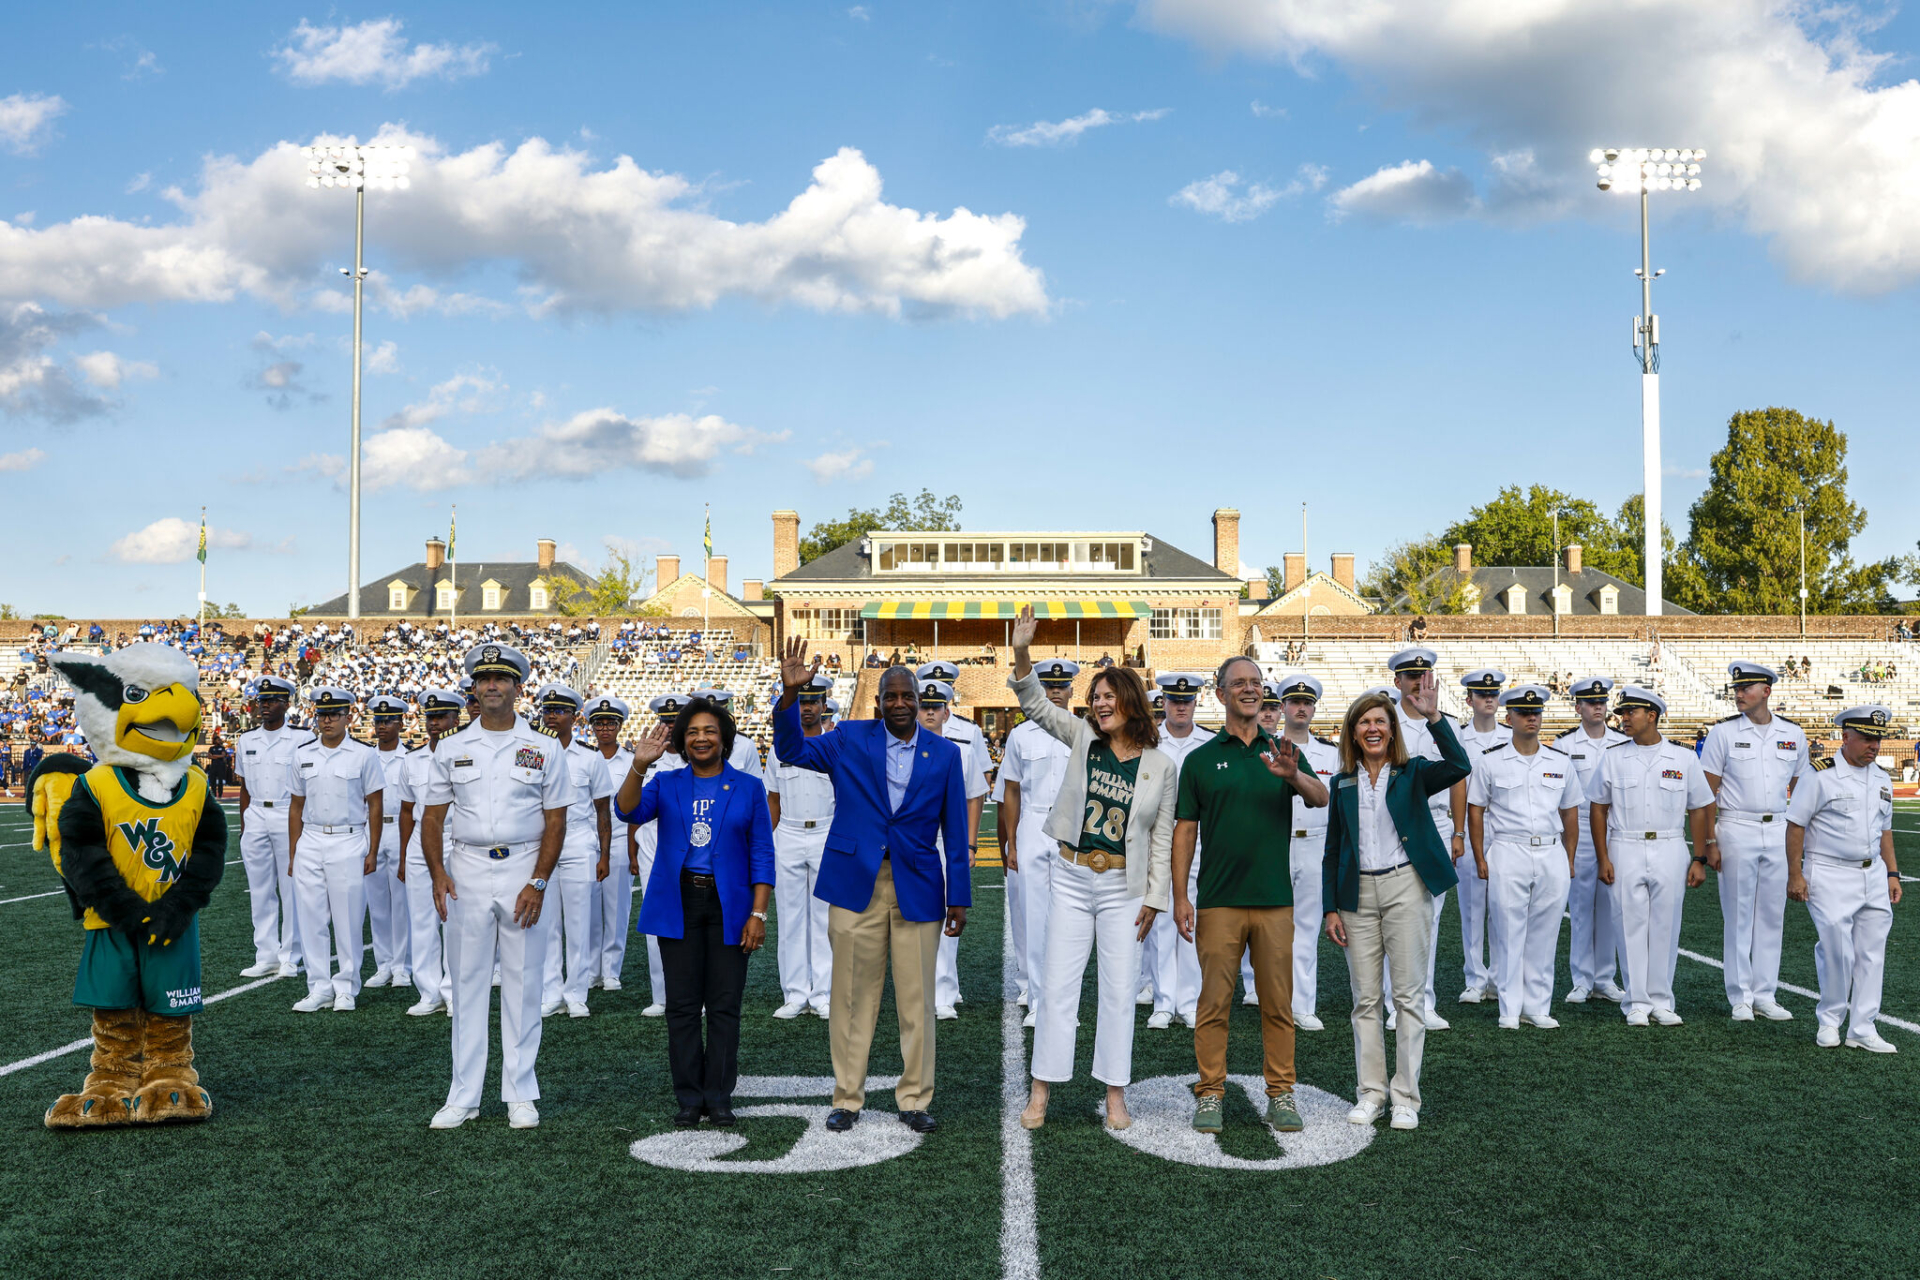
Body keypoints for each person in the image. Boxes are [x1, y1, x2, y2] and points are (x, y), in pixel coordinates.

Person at [769, 639, 968, 1135]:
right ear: (878, 701)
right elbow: (791, 750)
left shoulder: (944, 754)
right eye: (891, 696)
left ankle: (915, 1099)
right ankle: (847, 1097)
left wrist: (959, 896)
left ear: (920, 702)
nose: (900, 704)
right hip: (856, 883)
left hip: (918, 885)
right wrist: (790, 697)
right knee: (852, 997)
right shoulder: (848, 738)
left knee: (917, 1000)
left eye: (908, 696)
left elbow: (957, 833)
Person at [1006, 608, 1173, 1131]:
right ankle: (1041, 1091)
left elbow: (1163, 838)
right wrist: (1020, 651)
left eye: (1107, 696)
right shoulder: (1082, 738)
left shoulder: (1161, 765)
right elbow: (1034, 704)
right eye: (1095, 698)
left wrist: (1155, 896)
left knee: (1120, 990)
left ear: (1129, 702)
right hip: (1074, 876)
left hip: (1125, 884)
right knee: (1057, 984)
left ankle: (1115, 1094)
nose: (1098, 704)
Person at [1172, 655, 1329, 1135]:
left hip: (1274, 900)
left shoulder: (1280, 752)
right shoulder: (1199, 759)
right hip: (1218, 900)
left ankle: (1281, 1092)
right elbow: (1184, 832)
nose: (1250, 689)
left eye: (1256, 683)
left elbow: (1320, 798)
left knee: (1278, 1003)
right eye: (1239, 683)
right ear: (1219, 695)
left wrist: (1292, 775)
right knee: (1213, 1002)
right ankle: (1210, 1093)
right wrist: (1181, 897)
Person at [421, 643, 570, 1130]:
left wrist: (539, 881)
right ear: (474, 688)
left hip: (523, 866)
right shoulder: (451, 746)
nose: (491, 686)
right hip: (465, 869)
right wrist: (439, 874)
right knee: (465, 986)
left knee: (525, 985)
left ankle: (520, 1093)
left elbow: (556, 820)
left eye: (501, 679)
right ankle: (463, 1096)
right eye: (483, 679)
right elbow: (432, 817)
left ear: (517, 688)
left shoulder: (545, 747)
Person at [615, 697, 775, 1125]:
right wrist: (639, 765)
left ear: (724, 738)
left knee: (725, 1004)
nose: (701, 738)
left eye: (709, 730)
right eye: (692, 732)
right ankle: (689, 1097)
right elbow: (625, 809)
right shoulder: (666, 784)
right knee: (682, 1006)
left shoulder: (748, 786)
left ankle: (719, 1096)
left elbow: (762, 852)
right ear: (682, 742)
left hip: (730, 904)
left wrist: (758, 914)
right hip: (679, 901)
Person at [1321, 674, 1467, 1130]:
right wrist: (1330, 908)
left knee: (1407, 997)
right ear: (1353, 732)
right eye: (1363, 721)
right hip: (1357, 896)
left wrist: (1434, 717)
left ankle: (1405, 1097)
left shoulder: (1415, 771)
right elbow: (1333, 848)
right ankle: (1371, 1093)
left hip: (1406, 887)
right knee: (1365, 1000)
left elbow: (1460, 765)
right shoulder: (1343, 782)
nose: (1372, 728)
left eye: (1380, 721)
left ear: (1392, 728)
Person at [1587, 686, 1715, 1027]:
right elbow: (1598, 809)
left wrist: (1699, 858)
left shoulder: (1684, 758)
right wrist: (1603, 857)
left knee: (1666, 924)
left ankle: (1661, 1000)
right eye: (1623, 713)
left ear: (1652, 715)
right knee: (1629, 925)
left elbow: (1699, 809)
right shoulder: (1614, 757)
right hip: (1625, 844)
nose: (1624, 718)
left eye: (1631, 713)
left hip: (1671, 845)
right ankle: (1636, 1001)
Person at [1785, 704, 1902, 1053]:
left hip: (1873, 873)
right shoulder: (1820, 775)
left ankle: (1863, 1028)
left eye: (1878, 740)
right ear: (1845, 736)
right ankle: (1830, 1020)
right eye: (1867, 739)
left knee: (1871, 953)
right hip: (1829, 873)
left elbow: (1885, 831)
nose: (1875, 746)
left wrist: (1893, 872)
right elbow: (1796, 826)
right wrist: (1795, 874)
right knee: (1837, 950)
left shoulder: (1881, 778)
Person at [1700, 662, 1808, 1022]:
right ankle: (1740, 996)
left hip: (1778, 828)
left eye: (1747, 688)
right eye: (1736, 688)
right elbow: (1707, 793)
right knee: (1738, 915)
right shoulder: (1723, 733)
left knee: (1771, 917)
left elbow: (1803, 792)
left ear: (1767, 691)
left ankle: (1765, 994)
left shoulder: (1793, 734)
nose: (1739, 694)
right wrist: (1709, 841)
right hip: (1736, 828)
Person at [1466, 686, 1579, 1029]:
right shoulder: (1490, 761)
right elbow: (1476, 810)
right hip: (1508, 849)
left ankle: (1537, 1007)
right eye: (1524, 713)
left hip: (1550, 850)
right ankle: (1509, 1009)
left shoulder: (1559, 762)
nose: (1532, 718)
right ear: (1509, 717)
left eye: (1536, 712)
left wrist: (1569, 858)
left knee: (1545, 934)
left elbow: (1570, 814)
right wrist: (1480, 855)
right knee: (1508, 931)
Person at [286, 688, 386, 1012]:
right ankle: (318, 987)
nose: (326, 720)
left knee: (348, 918)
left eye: (334, 714)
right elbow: (295, 806)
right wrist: (293, 853)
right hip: (311, 839)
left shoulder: (363, 755)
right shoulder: (302, 754)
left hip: (348, 839)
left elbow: (375, 805)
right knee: (311, 917)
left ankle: (346, 987)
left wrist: (372, 851)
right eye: (322, 714)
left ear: (348, 717)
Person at [1383, 648, 1462, 1031]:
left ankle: (1424, 1001)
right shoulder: (1384, 722)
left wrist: (1459, 831)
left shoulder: (1446, 724)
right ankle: (1394, 1004)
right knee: (1392, 917)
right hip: (1393, 825)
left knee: (1429, 918)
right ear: (1397, 681)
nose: (1417, 682)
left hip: (1437, 826)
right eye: (1410, 675)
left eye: (1423, 675)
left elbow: (1460, 779)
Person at [998, 658, 1078, 1028]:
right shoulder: (1020, 735)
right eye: (1049, 685)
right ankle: (1036, 999)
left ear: (1073, 689)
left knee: (1070, 919)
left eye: (1062, 686)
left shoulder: (1083, 731)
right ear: (1040, 689)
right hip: (1032, 822)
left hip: (1072, 827)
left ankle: (1065, 1004)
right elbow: (1011, 791)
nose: (1056, 691)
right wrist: (1012, 843)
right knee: (1032, 915)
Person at [912, 669, 990, 1020]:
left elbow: (975, 798)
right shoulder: (897, 750)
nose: (929, 713)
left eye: (936, 707)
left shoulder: (962, 753)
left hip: (948, 842)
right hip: (911, 844)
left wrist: (970, 846)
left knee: (947, 915)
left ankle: (942, 993)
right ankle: (918, 993)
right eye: (924, 706)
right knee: (913, 919)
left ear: (947, 712)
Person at [537, 684, 614, 1019]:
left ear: (574, 716)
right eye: (548, 710)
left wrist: (605, 855)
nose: (552, 716)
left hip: (579, 844)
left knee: (579, 924)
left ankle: (576, 993)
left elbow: (602, 811)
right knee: (547, 923)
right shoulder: (533, 753)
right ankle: (551, 992)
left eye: (560, 711)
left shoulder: (590, 757)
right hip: (541, 845)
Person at [1144, 672, 1215, 1029]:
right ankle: (1163, 1001)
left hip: (1199, 840)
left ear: (1196, 703)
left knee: (1192, 922)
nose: (1181, 707)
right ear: (1165, 703)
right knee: (1159, 924)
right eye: (1174, 701)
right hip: (1158, 840)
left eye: (1187, 701)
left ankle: (1188, 1001)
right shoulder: (1149, 743)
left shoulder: (1210, 743)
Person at [1271, 673, 1339, 1032]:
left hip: (1315, 844)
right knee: (1271, 929)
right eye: (1295, 702)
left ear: (1314, 708)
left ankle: (1303, 1005)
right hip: (1274, 844)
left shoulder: (1332, 753)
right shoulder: (1265, 749)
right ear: (1282, 707)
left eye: (1307, 702)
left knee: (1307, 928)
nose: (1301, 707)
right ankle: (1272, 1003)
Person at [768, 673, 837, 1019]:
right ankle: (795, 993)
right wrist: (769, 844)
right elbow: (773, 800)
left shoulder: (837, 745)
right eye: (801, 701)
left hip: (826, 833)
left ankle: (823, 993)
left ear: (824, 706)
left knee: (825, 917)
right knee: (791, 917)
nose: (807, 707)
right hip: (789, 834)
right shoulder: (780, 748)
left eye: (813, 701)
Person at [1557, 677, 1630, 1003]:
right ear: (1578, 708)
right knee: (1582, 907)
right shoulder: (1565, 745)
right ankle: (1582, 979)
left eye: (1601, 702)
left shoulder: (1621, 742)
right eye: (1591, 702)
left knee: (1611, 906)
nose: (1598, 707)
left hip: (1615, 829)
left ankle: (1605, 978)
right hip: (1581, 830)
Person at [397, 687, 463, 1016]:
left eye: (441, 716)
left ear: (457, 718)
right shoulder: (412, 761)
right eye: (430, 717)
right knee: (421, 919)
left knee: (454, 920)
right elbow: (407, 811)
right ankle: (428, 992)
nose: (435, 723)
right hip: (420, 842)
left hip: (457, 839)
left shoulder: (467, 755)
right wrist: (402, 856)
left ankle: (454, 991)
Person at [234, 675, 304, 979]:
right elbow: (245, 788)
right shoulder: (246, 740)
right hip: (256, 816)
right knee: (260, 891)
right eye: (262, 700)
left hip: (288, 814)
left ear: (286, 704)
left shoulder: (302, 739)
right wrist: (244, 824)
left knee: (291, 889)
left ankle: (291, 955)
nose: (265, 705)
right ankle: (266, 954)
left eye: (272, 700)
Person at [1452, 667, 1511, 1008]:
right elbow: (1454, 787)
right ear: (1469, 699)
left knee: (1503, 906)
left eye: (1493, 694)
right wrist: (1457, 833)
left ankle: (1500, 977)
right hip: (1468, 826)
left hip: (1503, 829)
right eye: (1481, 694)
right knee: (1473, 907)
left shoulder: (1510, 735)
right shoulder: (1459, 739)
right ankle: (1475, 979)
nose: (1488, 699)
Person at [584, 694, 639, 992]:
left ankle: (611, 972)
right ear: (592, 727)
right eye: (599, 723)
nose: (605, 729)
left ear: (619, 726)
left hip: (618, 840)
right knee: (590, 910)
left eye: (611, 723)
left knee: (617, 910)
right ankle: (592, 970)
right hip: (587, 842)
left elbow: (632, 811)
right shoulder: (585, 758)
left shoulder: (631, 762)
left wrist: (633, 853)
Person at [364, 694, 413, 991]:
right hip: (370, 832)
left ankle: (403, 966)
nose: (382, 726)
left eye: (389, 721)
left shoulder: (410, 759)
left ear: (401, 723)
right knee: (378, 904)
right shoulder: (365, 757)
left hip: (399, 830)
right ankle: (383, 964)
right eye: (379, 721)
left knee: (402, 904)